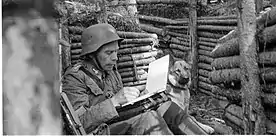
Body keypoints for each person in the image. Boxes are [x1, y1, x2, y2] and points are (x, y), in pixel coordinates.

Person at [62, 23, 208, 135]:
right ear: (92, 54)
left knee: (167, 106)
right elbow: (79, 123)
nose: (115, 58)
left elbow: (122, 107)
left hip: (118, 122)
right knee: (149, 118)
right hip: (101, 131)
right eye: (108, 53)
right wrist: (113, 102)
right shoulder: (75, 78)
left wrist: (141, 100)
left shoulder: (111, 72)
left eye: (116, 52)